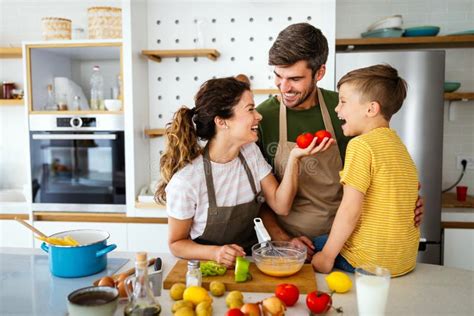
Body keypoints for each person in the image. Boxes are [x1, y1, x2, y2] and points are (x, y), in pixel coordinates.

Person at [256, 23, 424, 259]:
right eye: (277, 76)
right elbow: (256, 200)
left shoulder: (348, 110)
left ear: (320, 73)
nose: (283, 87)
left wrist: (407, 201)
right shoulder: (263, 118)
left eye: (294, 78)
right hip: (288, 249)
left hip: (349, 245)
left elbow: (384, 166)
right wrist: (284, 241)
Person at [155, 77, 333, 267]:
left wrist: (294, 158)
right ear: (222, 122)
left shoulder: (250, 153)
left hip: (249, 262)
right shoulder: (187, 180)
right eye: (250, 109)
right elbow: (176, 244)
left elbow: (281, 205)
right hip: (207, 267)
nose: (259, 116)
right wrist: (216, 252)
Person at [311, 64, 420, 277]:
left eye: (343, 102)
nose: (337, 109)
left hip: (370, 261)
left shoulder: (361, 145)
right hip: (404, 261)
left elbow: (350, 210)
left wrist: (326, 257)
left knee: (316, 243)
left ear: (371, 109)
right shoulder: (399, 147)